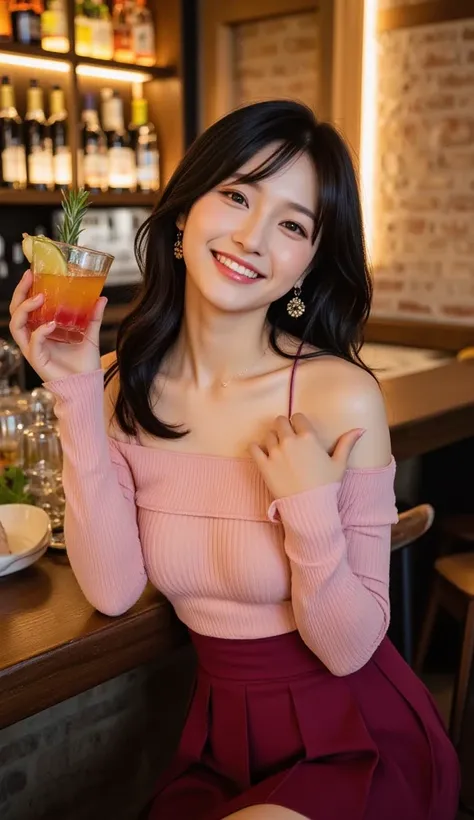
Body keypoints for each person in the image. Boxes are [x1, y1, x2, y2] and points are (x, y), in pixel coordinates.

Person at [9, 100, 459, 820]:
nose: (253, 236)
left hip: (353, 736)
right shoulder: (125, 386)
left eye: (291, 223)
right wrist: (74, 395)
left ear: (308, 261)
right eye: (238, 194)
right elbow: (115, 590)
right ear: (185, 213)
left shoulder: (340, 397)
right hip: (221, 742)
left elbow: (349, 649)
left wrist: (310, 511)